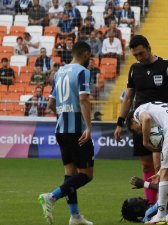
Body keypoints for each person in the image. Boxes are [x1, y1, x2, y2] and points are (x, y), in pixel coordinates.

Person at [114, 35, 168, 206]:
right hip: (140, 123)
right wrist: (120, 123)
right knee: (146, 166)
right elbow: (128, 98)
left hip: (162, 123)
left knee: (161, 167)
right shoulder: (134, 69)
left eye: (141, 53)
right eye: (135, 55)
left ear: (149, 48)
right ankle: (151, 206)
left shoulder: (166, 66)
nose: (139, 58)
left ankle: (163, 204)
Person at [38, 41, 94, 225]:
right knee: (86, 174)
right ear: (85, 53)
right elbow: (84, 99)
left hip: (61, 129)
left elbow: (51, 104)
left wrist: (64, 112)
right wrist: (88, 127)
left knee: (70, 174)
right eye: (90, 55)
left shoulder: (59, 72)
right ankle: (51, 197)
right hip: (77, 130)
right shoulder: (82, 72)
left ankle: (75, 216)